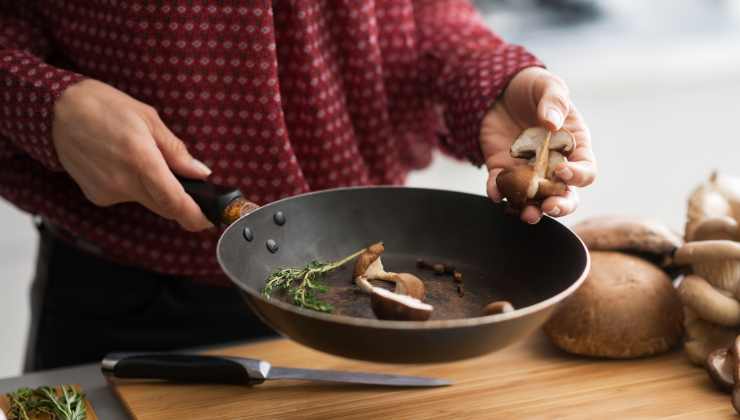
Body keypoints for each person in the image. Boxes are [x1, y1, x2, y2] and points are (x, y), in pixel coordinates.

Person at [0, 1, 596, 371]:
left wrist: (493, 80)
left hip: (370, 313)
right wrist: (44, 104)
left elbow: (422, 16)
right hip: (134, 304)